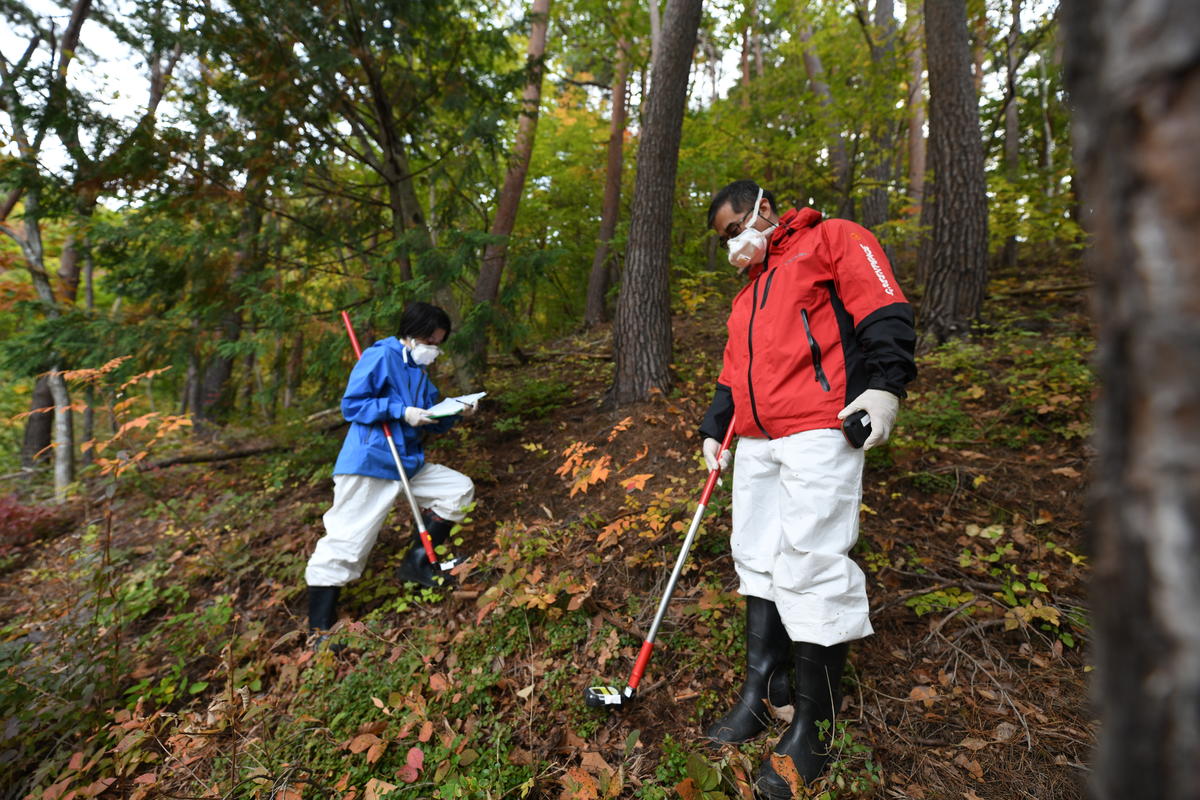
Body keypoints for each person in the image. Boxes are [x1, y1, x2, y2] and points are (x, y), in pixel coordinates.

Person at [698, 180, 916, 798]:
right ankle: (764, 690)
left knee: (812, 561)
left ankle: (814, 728)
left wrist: (885, 385)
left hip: (821, 429)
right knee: (757, 556)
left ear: (764, 208)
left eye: (737, 226)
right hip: (759, 440)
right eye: (724, 238)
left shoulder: (833, 239)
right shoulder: (748, 294)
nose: (734, 241)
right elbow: (732, 370)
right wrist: (717, 426)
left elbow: (883, 309)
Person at [305, 302, 477, 642]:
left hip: (406, 461)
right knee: (347, 541)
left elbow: (432, 415)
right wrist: (400, 411)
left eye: (439, 343)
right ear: (413, 336)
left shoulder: (418, 371)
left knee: (457, 489)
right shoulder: (381, 356)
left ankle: (417, 564)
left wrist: (458, 411)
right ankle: (319, 630)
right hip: (370, 461)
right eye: (431, 341)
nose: (435, 350)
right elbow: (352, 405)